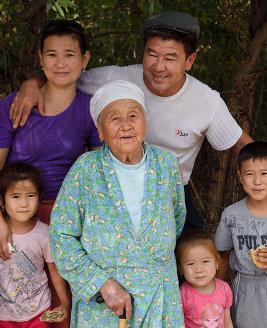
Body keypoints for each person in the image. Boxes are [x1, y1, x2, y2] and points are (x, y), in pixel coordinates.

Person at [8, 11, 253, 233]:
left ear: (189, 61)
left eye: (170, 58)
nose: (159, 66)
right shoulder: (117, 79)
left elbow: (244, 147)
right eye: (152, 54)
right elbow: (65, 72)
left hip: (171, 193)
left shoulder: (206, 101)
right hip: (118, 191)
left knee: (192, 258)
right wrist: (32, 84)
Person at [49, 80, 202, 328]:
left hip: (159, 301)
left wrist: (146, 263)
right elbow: (61, 236)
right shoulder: (85, 171)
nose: (126, 124)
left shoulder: (165, 166)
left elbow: (174, 221)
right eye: (114, 117)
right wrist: (104, 285)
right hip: (107, 304)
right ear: (101, 132)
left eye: (134, 115)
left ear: (145, 121)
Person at [0, 20, 102, 328]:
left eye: (70, 54)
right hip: (15, 217)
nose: (61, 63)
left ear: (85, 59)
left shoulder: (91, 109)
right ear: (40, 60)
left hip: (66, 220)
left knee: (61, 306)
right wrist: (0, 220)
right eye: (52, 54)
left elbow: (97, 175)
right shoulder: (13, 105)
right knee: (15, 301)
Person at [0, 162, 69, 328]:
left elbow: (55, 272)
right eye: (16, 196)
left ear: (40, 199)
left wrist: (65, 305)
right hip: (4, 318)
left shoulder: (44, 233)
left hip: (38, 315)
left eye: (30, 195)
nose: (23, 202)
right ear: (2, 201)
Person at [214, 142, 267, 328]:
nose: (257, 181)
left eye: (265, 173)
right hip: (247, 293)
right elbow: (222, 255)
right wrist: (216, 298)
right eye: (249, 173)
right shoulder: (232, 215)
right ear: (239, 176)